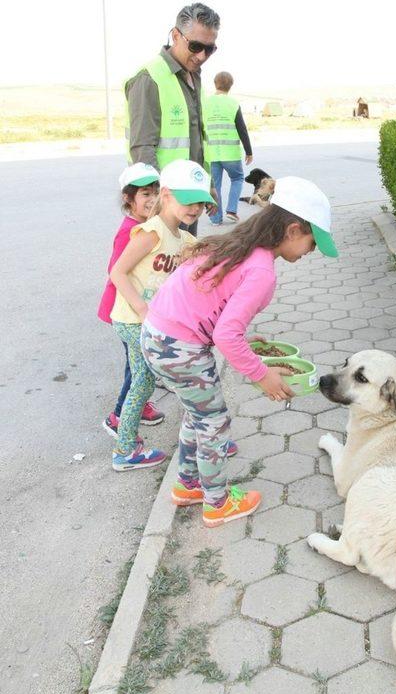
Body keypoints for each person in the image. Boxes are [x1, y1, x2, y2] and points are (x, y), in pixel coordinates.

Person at [140, 176, 339, 526]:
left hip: (160, 335)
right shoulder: (262, 270)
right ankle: (216, 503)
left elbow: (218, 309)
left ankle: (188, 485)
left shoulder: (243, 244)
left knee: (198, 414)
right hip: (181, 346)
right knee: (215, 422)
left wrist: (248, 344)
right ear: (293, 230)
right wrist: (264, 376)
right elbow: (227, 336)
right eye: (312, 241)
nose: (312, 251)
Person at [109, 160, 211, 471]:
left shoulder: (184, 240)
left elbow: (206, 256)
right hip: (130, 318)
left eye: (202, 203)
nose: (195, 208)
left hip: (149, 322)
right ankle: (124, 450)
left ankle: (204, 432)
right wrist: (143, 310)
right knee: (143, 380)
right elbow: (118, 272)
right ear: (167, 196)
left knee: (152, 377)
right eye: (188, 200)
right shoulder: (151, 232)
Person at [124, 2, 220, 237]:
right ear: (175, 35)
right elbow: (142, 149)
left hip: (190, 198)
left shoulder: (193, 76)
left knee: (183, 269)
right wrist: (158, 205)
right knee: (162, 271)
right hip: (166, 205)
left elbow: (195, 142)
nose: (202, 56)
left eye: (210, 49)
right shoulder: (149, 79)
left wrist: (206, 186)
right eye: (196, 46)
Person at [98, 163, 166, 438]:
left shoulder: (147, 225)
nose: (152, 200)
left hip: (136, 310)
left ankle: (140, 404)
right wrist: (139, 307)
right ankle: (118, 416)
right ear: (128, 199)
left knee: (139, 364)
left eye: (156, 193)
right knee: (136, 368)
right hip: (127, 311)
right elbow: (116, 272)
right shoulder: (130, 230)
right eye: (145, 194)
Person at [203, 71, 253, 225]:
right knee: (237, 178)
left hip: (211, 153)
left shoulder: (205, 103)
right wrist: (249, 151)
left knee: (214, 184)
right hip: (230, 154)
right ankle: (231, 210)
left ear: (215, 83)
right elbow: (241, 129)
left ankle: (215, 218)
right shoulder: (233, 104)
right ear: (230, 86)